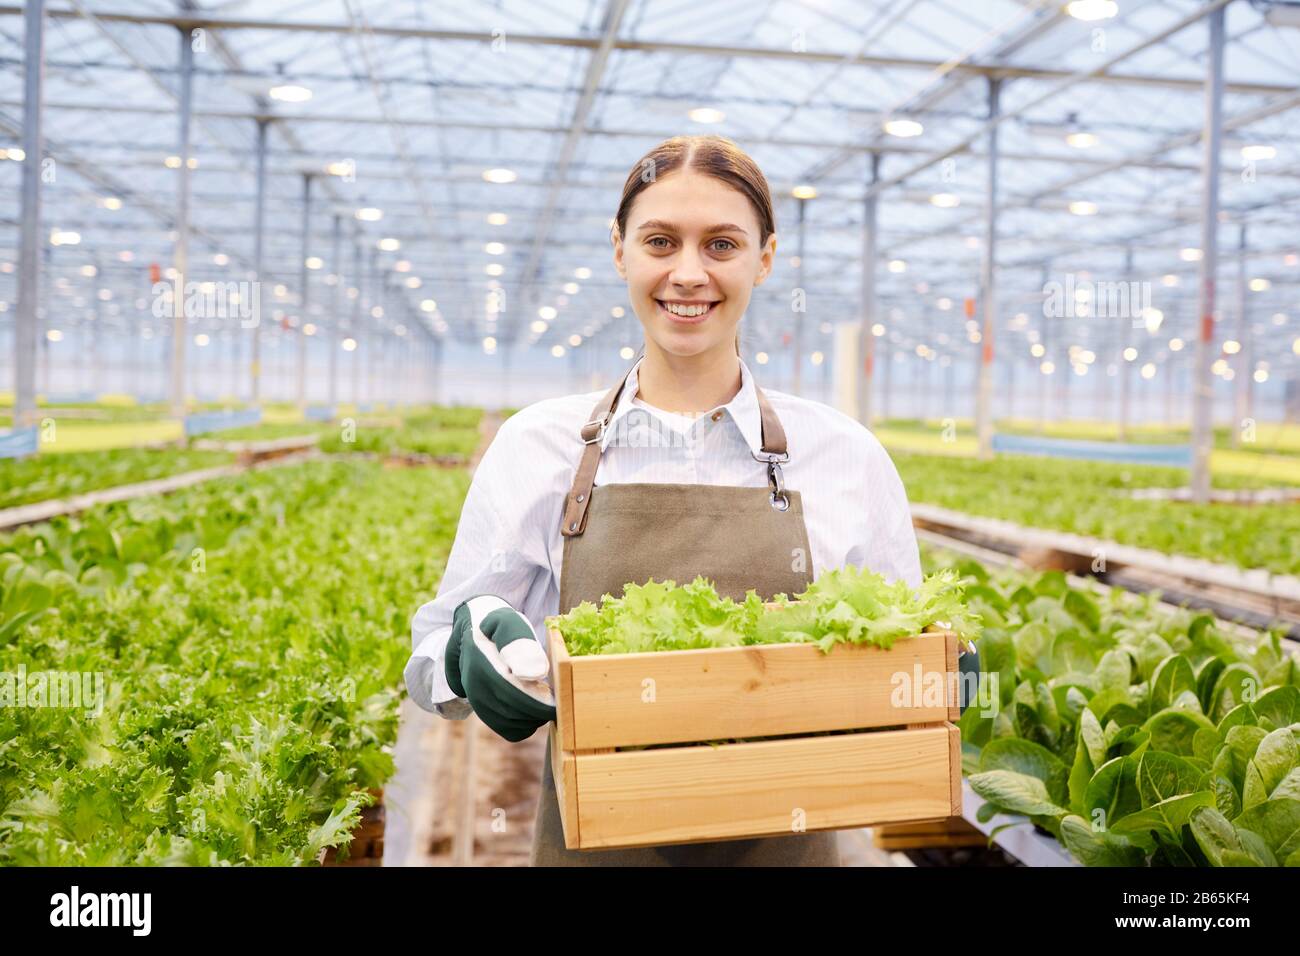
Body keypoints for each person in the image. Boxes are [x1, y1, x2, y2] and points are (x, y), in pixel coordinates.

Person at [405, 134, 933, 866]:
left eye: (722, 244)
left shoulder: (846, 456)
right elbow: (431, 656)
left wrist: (932, 676)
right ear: (619, 250)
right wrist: (467, 655)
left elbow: (905, 657)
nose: (689, 274)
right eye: (661, 241)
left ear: (765, 259)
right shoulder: (537, 447)